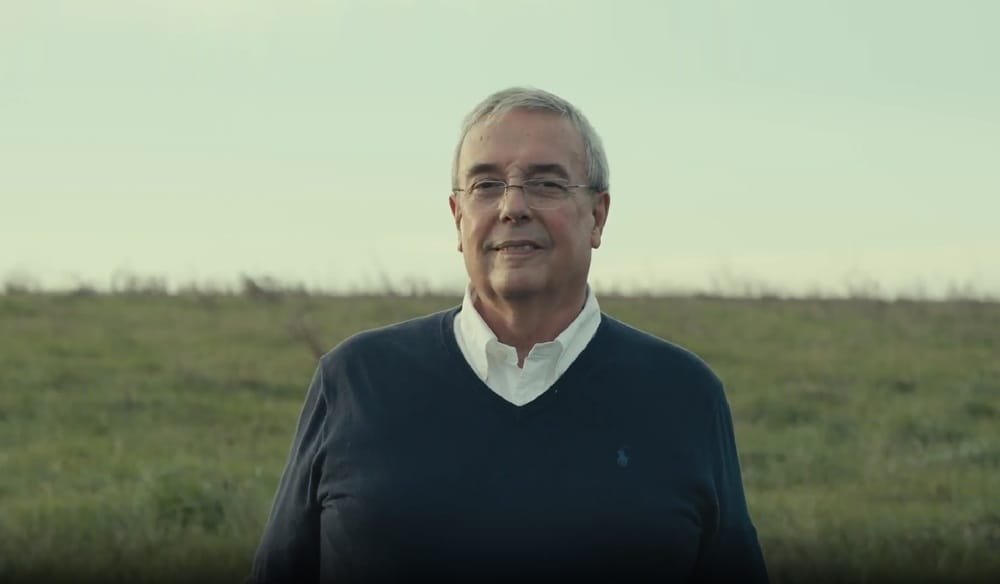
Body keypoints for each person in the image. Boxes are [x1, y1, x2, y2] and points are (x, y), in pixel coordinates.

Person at [248, 87, 768, 583]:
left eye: (545, 183)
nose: (512, 207)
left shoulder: (684, 394)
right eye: (486, 185)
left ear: (598, 217)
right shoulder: (355, 381)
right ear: (458, 218)